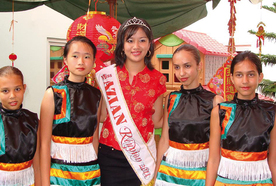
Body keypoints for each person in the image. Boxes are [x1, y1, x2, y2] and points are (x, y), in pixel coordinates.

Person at [95, 17, 166, 186]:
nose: (136, 46)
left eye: (142, 40)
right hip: (109, 157)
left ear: (149, 45)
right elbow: (102, 115)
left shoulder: (158, 79)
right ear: (122, 45)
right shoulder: (106, 76)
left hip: (141, 159)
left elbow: (157, 121)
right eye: (130, 40)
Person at [155, 44, 224, 186]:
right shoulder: (171, 98)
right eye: (177, 67)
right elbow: (164, 140)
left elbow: (219, 149)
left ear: (199, 65)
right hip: (170, 173)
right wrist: (156, 176)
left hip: (201, 173)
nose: (181, 73)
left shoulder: (215, 101)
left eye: (187, 66)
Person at [206, 51, 276, 186]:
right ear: (231, 78)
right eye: (239, 75)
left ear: (259, 77)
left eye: (251, 74)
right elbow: (214, 159)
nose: (245, 81)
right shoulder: (220, 112)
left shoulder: (271, 112)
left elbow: (273, 160)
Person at [40, 35, 102, 186]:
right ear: (65, 60)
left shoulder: (96, 95)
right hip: (58, 172)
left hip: (89, 172)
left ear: (93, 61)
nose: (81, 62)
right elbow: (44, 143)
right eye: (75, 56)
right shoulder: (52, 93)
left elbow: (94, 138)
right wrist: (44, 182)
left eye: (87, 57)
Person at [0, 66, 40, 185]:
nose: (12, 95)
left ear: (24, 88)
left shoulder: (33, 121)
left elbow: (37, 168)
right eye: (5, 91)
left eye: (17, 89)